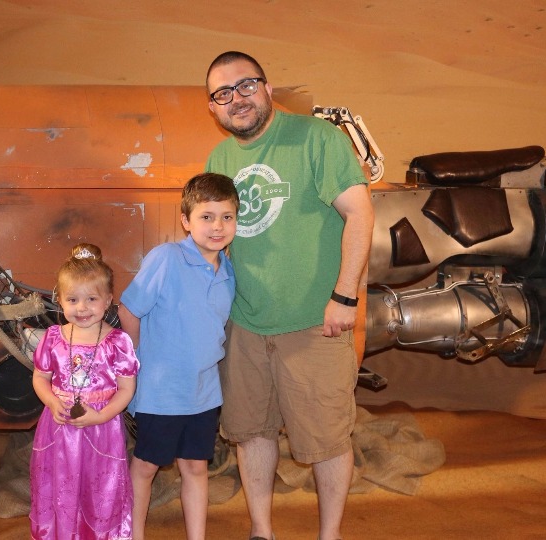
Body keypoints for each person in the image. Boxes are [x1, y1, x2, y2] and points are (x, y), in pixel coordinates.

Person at [204, 51, 375, 540]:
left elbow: (360, 215)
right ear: (212, 107)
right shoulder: (219, 159)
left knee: (326, 437)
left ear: (267, 87)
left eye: (245, 85)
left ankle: (329, 534)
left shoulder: (317, 139)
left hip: (314, 321)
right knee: (251, 429)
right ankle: (262, 530)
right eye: (222, 94)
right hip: (244, 323)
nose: (236, 99)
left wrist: (344, 297)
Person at [118, 173, 239, 540]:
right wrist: (137, 363)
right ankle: (133, 535)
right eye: (206, 216)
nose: (217, 226)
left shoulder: (229, 270)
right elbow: (129, 310)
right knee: (145, 468)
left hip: (203, 393)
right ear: (186, 220)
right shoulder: (166, 258)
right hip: (161, 392)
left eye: (227, 217)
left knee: (196, 467)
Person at [29, 243, 139, 540]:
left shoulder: (118, 342)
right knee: (60, 485)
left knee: (98, 489)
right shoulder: (52, 338)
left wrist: (100, 415)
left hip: (102, 430)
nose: (82, 307)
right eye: (73, 299)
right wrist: (52, 402)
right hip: (58, 429)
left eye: (92, 298)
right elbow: (40, 378)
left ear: (108, 300)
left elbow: (127, 389)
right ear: (60, 300)